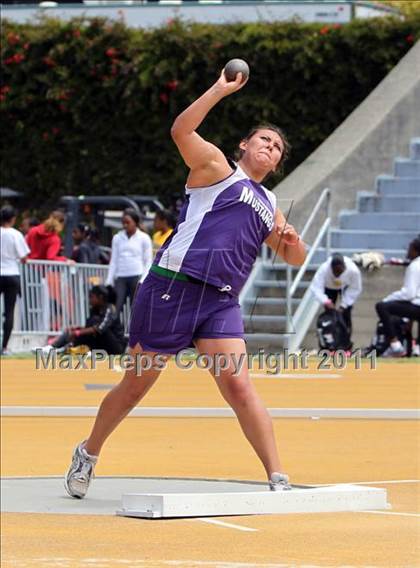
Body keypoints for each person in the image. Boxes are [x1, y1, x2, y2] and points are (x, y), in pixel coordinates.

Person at [64, 68, 306, 499]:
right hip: (173, 287)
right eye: (264, 139)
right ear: (244, 146)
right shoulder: (216, 168)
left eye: (278, 147)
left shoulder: (271, 204)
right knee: (136, 384)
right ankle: (88, 451)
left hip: (220, 301)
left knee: (238, 385)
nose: (271, 147)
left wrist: (293, 241)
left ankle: (277, 475)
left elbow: (294, 257)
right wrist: (220, 88)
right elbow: (181, 129)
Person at [38, 285, 126, 355]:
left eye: (91, 297)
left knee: (92, 329)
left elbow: (100, 328)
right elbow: (89, 327)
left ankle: (66, 348)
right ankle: (53, 347)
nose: (89, 300)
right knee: (75, 330)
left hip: (116, 347)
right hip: (102, 345)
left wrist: (78, 332)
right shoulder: (95, 309)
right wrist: (77, 329)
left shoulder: (110, 308)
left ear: (100, 297)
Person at [375, 237, 420, 357]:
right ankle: (417, 349)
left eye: (409, 249)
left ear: (416, 251)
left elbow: (409, 293)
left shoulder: (415, 266)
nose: (407, 252)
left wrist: (389, 298)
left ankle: (396, 345)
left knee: (382, 307)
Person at [105, 209, 153, 318]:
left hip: (136, 275)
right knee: (116, 308)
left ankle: (134, 333)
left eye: (128, 222)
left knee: (136, 309)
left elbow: (148, 261)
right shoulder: (117, 238)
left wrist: (142, 280)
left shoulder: (144, 238)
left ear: (135, 222)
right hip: (121, 276)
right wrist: (109, 279)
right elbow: (114, 260)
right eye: (123, 223)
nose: (125, 225)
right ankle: (118, 333)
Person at [0, 206, 30, 355]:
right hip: (11, 274)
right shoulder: (16, 234)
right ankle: (4, 347)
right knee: (9, 312)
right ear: (13, 219)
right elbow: (24, 257)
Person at [310, 253, 362, 337]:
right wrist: (326, 301)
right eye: (335, 272)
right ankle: (330, 339)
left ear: (344, 267)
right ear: (331, 268)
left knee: (346, 313)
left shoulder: (353, 270)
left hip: (345, 287)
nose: (337, 275)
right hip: (329, 287)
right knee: (330, 314)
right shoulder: (324, 269)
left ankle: (346, 341)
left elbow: (355, 288)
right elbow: (316, 287)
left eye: (340, 272)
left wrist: (343, 305)